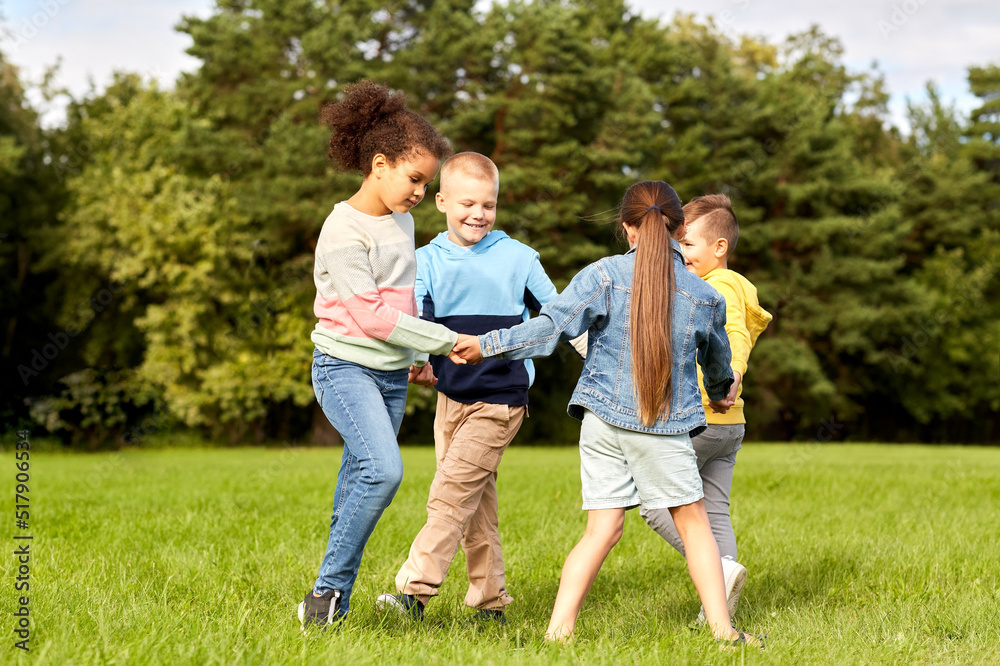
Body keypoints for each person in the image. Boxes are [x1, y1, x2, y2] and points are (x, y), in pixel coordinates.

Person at [453, 180, 763, 647]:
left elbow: (548, 328)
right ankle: (724, 633)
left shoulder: (601, 275)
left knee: (601, 530)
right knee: (695, 523)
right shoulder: (703, 295)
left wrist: (486, 344)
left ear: (627, 229)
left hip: (598, 420)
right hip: (659, 426)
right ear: (679, 230)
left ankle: (559, 631)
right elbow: (719, 366)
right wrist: (721, 392)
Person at [377, 152, 586, 623]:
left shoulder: (519, 258)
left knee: (450, 492)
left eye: (488, 205)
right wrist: (420, 362)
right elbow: (418, 322)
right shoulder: (425, 260)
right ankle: (490, 600)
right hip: (451, 399)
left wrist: (599, 354)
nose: (478, 214)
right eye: (468, 203)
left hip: (501, 398)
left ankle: (414, 594)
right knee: (475, 502)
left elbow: (562, 317)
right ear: (442, 201)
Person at [298, 80, 466, 631]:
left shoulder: (402, 220)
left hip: (392, 374)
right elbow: (369, 315)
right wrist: (439, 341)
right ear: (379, 164)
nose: (420, 192)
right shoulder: (342, 230)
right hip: (344, 368)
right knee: (383, 472)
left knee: (357, 481)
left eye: (426, 183)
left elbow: (401, 296)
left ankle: (328, 606)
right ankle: (326, 592)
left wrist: (415, 357)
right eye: (414, 178)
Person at [640, 193, 772, 622]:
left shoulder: (720, 286)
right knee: (714, 512)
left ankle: (717, 571)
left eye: (688, 244)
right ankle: (716, 610)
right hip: (729, 425)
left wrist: (729, 376)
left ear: (720, 248)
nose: (680, 252)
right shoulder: (726, 285)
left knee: (651, 500)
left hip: (702, 414)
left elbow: (732, 333)